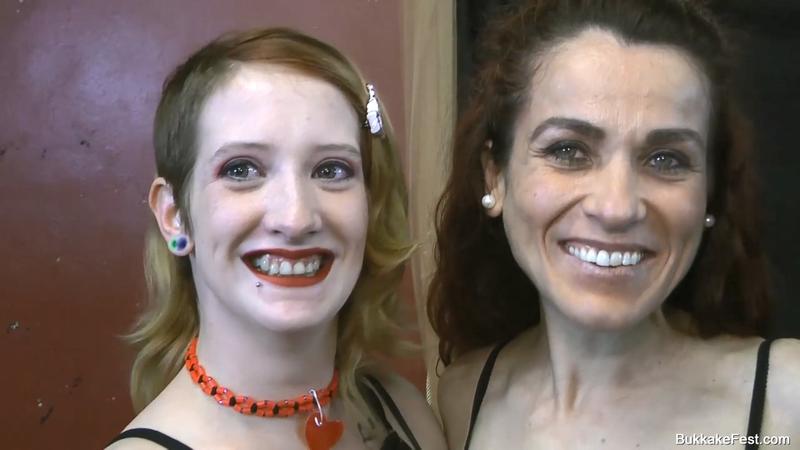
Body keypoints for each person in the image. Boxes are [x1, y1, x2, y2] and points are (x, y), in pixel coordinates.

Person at [428, 1, 800, 449]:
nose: (617, 207)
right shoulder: (464, 398)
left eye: (666, 160)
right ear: (495, 176)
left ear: (711, 193)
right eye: (568, 151)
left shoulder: (787, 399)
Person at [108, 28, 446, 450]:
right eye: (242, 170)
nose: (296, 218)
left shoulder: (405, 411)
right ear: (174, 217)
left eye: (331, 170)